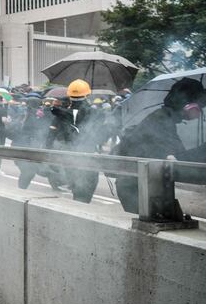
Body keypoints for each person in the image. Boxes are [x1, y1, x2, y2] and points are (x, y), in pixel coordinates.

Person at [114, 78, 205, 213]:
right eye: (199, 108)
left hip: (143, 185)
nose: (200, 113)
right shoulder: (161, 121)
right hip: (136, 188)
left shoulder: (164, 117)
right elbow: (176, 161)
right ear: (188, 106)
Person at [45, 79, 99, 202]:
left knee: (77, 188)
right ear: (87, 95)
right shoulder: (92, 112)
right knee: (85, 190)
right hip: (87, 155)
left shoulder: (61, 112)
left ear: (70, 96)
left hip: (69, 155)